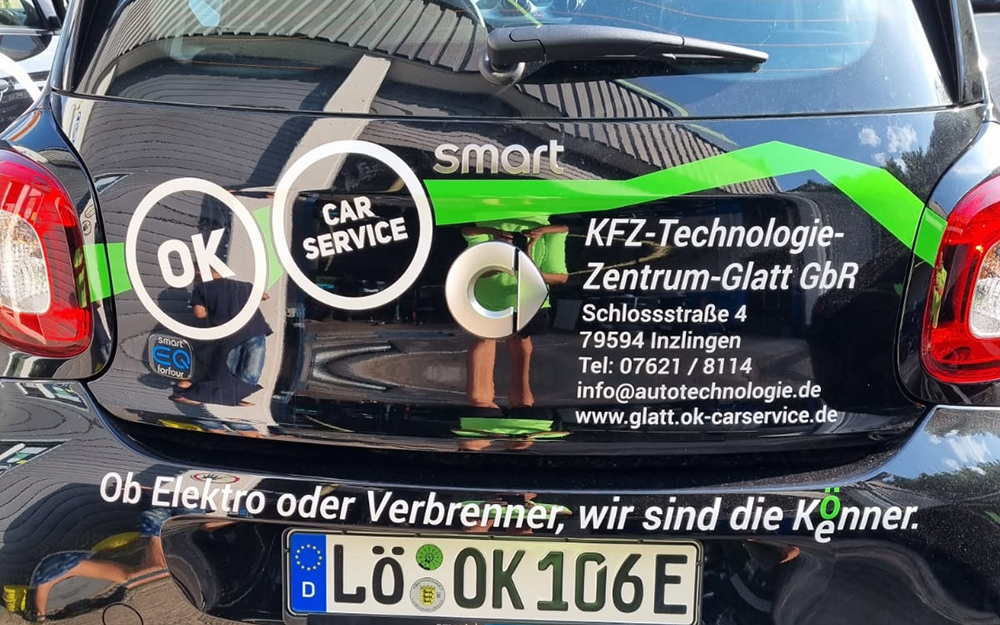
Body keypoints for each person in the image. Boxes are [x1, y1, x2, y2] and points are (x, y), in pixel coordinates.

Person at [461, 218, 569, 410]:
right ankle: (486, 407)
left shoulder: (545, 233)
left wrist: (529, 266)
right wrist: (500, 250)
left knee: (517, 344)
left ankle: (511, 408)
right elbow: (471, 244)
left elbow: (560, 276)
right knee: (491, 340)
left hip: (527, 304)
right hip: (495, 303)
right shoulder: (492, 227)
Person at [171, 270, 271, 406]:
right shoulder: (244, 285)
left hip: (235, 335)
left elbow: (199, 314)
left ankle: (217, 395)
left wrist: (215, 308)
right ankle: (220, 395)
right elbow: (265, 296)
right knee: (242, 372)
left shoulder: (202, 288)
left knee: (245, 374)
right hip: (253, 328)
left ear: (199, 272)